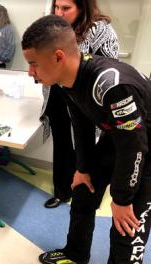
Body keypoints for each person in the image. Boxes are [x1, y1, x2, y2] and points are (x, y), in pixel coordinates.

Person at [22, 15, 151, 264]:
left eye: (34, 64)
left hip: (144, 146)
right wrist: (83, 168)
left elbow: (134, 147)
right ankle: (76, 252)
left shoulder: (113, 86)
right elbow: (80, 124)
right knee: (83, 191)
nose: (30, 72)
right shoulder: (67, 80)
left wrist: (122, 199)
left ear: (58, 56)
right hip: (119, 138)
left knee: (127, 225)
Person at [42, 0, 119, 209]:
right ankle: (62, 191)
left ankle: (85, 194)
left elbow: (109, 67)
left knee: (85, 145)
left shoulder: (101, 29)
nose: (59, 12)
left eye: (66, 8)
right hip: (57, 93)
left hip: (86, 98)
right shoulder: (52, 27)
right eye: (57, 7)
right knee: (62, 143)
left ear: (83, 7)